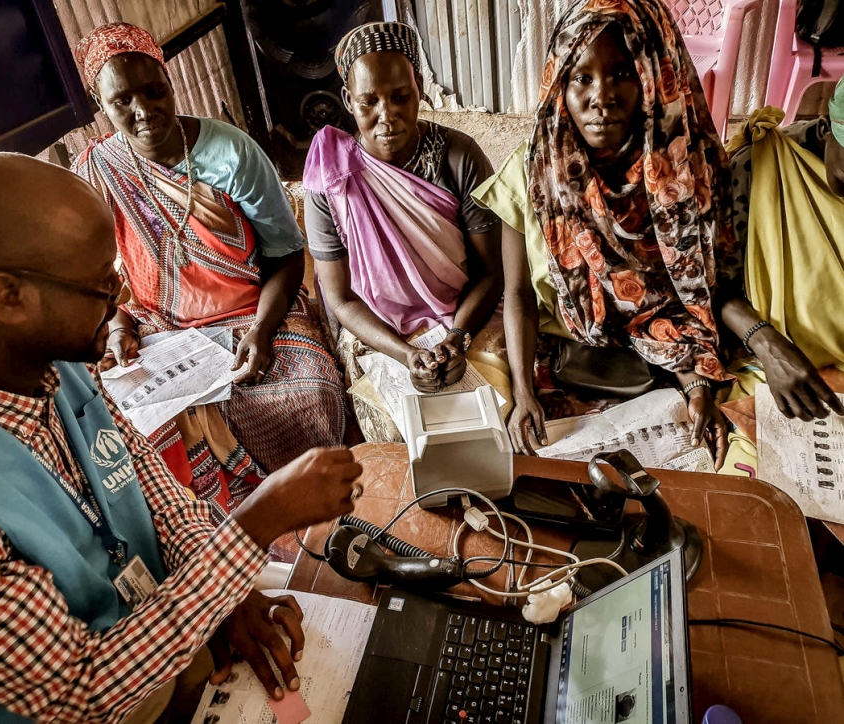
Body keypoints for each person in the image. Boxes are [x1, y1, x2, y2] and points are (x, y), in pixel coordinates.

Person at [0, 153, 365, 723]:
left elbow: (152, 488)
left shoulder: (46, 359)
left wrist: (225, 593)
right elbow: (76, 695)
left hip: (144, 639)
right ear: (7, 297)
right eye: (98, 283)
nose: (120, 298)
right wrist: (255, 525)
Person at [70, 23, 349, 519]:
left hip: (254, 311)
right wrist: (118, 325)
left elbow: (285, 255)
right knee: (130, 424)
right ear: (101, 106)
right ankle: (209, 529)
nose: (143, 111)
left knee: (306, 395)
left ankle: (307, 513)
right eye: (122, 102)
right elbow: (98, 273)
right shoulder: (99, 168)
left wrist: (263, 330)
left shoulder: (233, 153)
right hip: (158, 326)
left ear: (170, 82)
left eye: (155, 91)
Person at [472, 0, 732, 467]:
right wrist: (524, 394)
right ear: (558, 85)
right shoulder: (532, 174)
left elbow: (692, 296)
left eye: (623, 74)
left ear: (655, 78)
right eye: (581, 78)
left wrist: (695, 383)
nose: (601, 97)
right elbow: (518, 295)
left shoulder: (680, 173)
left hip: (657, 357)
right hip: (563, 352)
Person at [302, 21, 507, 442]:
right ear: (347, 101)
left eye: (401, 97)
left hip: (466, 315)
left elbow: (492, 272)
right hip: (380, 332)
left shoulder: (458, 156)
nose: (387, 116)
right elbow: (340, 299)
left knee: (495, 418)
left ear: (420, 90)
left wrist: (456, 339)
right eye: (368, 102)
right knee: (403, 437)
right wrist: (406, 354)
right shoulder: (331, 177)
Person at [719, 96, 844, 422]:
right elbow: (709, 293)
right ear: (827, 125)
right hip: (773, 372)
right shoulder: (759, 169)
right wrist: (766, 343)